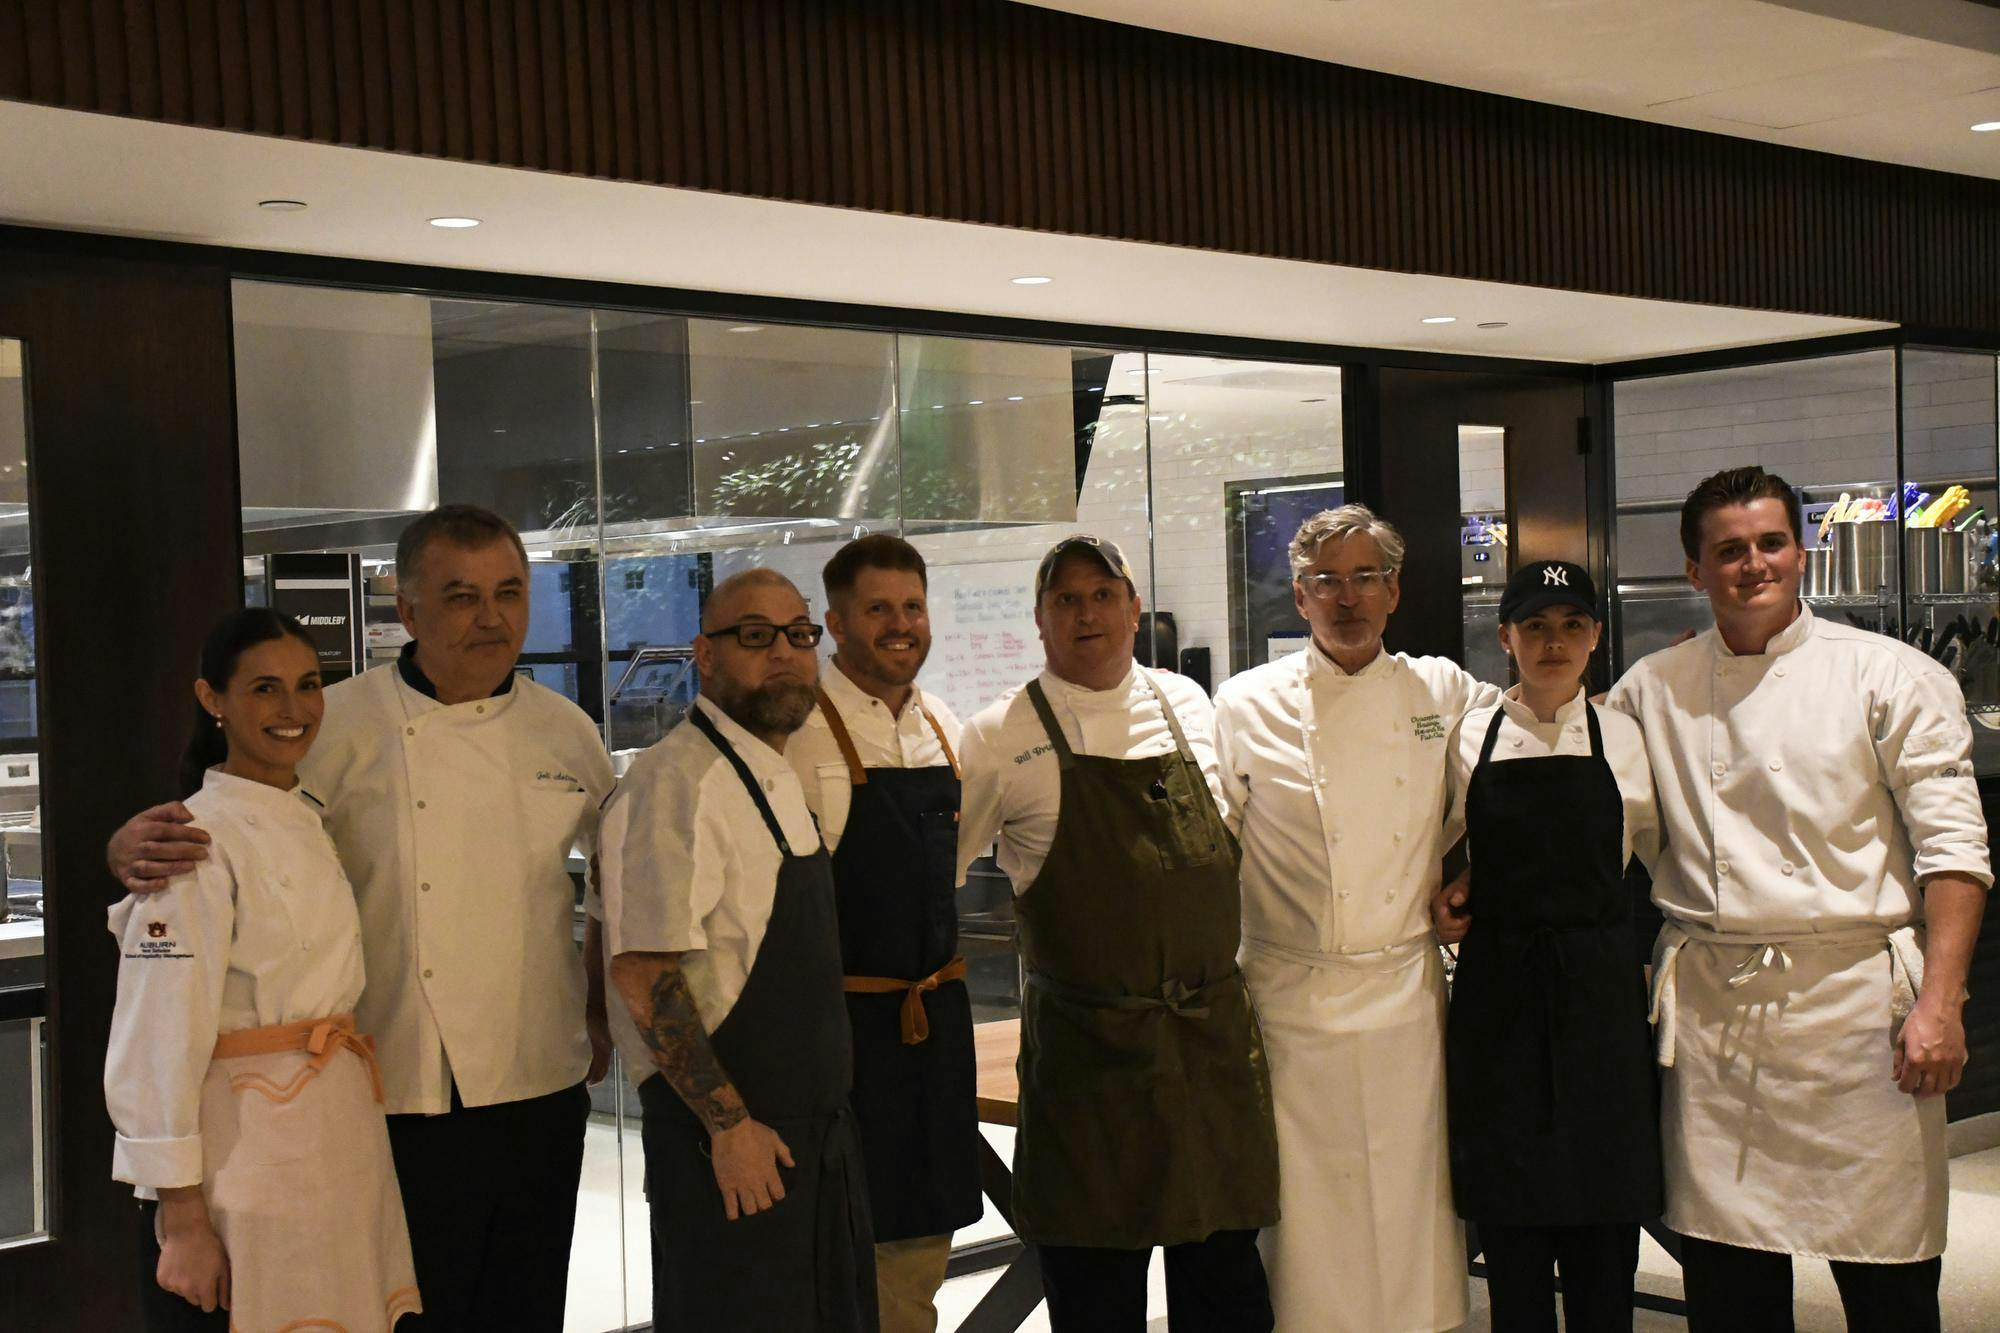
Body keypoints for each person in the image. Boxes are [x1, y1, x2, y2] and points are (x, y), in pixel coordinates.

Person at [107, 505, 616, 1332]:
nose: (491, 617)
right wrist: (128, 849)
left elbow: (620, 878)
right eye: (460, 596)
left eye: (510, 592)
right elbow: (232, 822)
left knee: (526, 1310)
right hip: (391, 1092)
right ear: (407, 610)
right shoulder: (329, 723)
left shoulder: (568, 731)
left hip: (541, 1082)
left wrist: (597, 1005)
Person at [1603, 466, 1989, 1333]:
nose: (1754, 564)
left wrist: (1942, 1001)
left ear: (1802, 550)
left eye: (1771, 542)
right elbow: (1590, 812)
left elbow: (1955, 853)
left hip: (1859, 1014)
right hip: (1715, 1017)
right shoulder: (1649, 687)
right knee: (1729, 1284)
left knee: (1888, 1277)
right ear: (1695, 571)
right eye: (1729, 550)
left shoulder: (1892, 675)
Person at [957, 534, 1279, 1332]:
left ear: (1135, 609)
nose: (1086, 612)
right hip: (1089, 1060)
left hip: (1208, 1047)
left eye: (1103, 594)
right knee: (1095, 1293)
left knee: (1227, 1287)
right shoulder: (1000, 733)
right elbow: (937, 879)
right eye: (1066, 599)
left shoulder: (1190, 704)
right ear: (1040, 619)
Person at [1211, 504, 1496, 1333]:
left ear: (1394, 590)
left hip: (1406, 993)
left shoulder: (1441, 691)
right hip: (1291, 995)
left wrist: (1478, 869)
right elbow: (1211, 847)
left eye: (1365, 578)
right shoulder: (1244, 704)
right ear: (1299, 599)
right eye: (1326, 582)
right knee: (1306, 1223)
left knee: (1413, 1201)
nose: (1348, 598)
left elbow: (1520, 772)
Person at [105, 608, 419, 1331]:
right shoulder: (190, 843)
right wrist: (180, 1215)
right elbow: (156, 1033)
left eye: (308, 685)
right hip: (245, 1154)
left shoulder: (305, 814)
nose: (293, 709)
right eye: (264, 689)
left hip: (336, 1136)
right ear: (212, 698)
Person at [600, 568, 877, 1332]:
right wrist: (728, 1127)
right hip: (732, 1147)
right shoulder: (678, 783)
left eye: (798, 635)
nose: (783, 653)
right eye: (755, 636)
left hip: (807, 1138)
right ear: (706, 655)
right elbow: (643, 972)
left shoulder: (770, 771)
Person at [1441, 560, 1662, 1333]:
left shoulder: (1627, 739)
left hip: (1600, 1006)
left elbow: (1666, 862)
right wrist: (1448, 891)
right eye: (1535, 625)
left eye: (1571, 624)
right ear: (1506, 637)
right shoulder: (1468, 736)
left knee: (1605, 1246)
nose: (1553, 641)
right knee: (1514, 1247)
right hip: (1499, 1004)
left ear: (1596, 637)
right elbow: (1427, 849)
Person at [785, 535, 980, 1333]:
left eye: (912, 607)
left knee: (919, 1258)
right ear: (834, 622)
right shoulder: (796, 734)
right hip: (840, 1035)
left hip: (932, 1032)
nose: (900, 625)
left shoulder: (945, 726)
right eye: (878, 609)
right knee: (835, 1258)